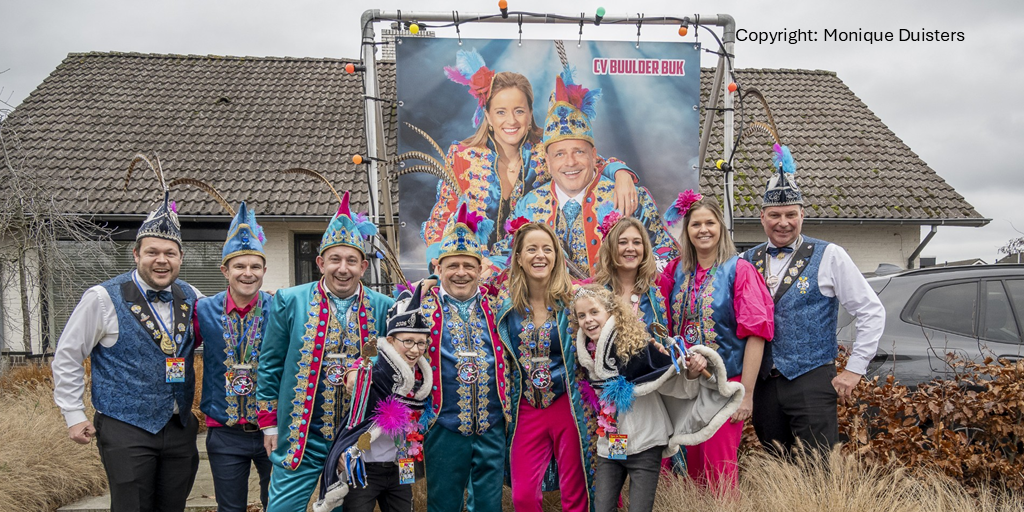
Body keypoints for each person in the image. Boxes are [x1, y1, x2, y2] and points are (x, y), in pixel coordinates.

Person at [52, 183, 202, 512]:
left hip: (179, 427)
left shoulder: (192, 295)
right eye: (152, 252)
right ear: (136, 254)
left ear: (180, 257)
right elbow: (67, 355)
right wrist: (74, 415)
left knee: (173, 506)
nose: (161, 260)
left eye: (170, 253)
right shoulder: (102, 297)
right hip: (125, 428)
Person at [422, 48, 639, 258]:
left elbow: (590, 162)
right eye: (500, 112)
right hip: (475, 271)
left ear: (530, 114)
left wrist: (621, 174)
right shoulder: (462, 157)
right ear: (487, 116)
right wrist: (439, 262)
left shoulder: (545, 151)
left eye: (519, 111)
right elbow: (442, 218)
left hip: (535, 268)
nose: (511, 121)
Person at [255, 191, 395, 511]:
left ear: (362, 265)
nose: (342, 268)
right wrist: (269, 424)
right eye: (335, 259)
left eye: (350, 261)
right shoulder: (290, 301)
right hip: (300, 437)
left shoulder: (384, 308)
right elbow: (271, 364)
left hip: (355, 442)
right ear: (321, 262)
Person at [740, 144, 884, 456]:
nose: (783, 222)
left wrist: (855, 369)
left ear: (802, 215)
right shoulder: (745, 260)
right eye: (775, 215)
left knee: (818, 469)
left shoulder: (830, 255)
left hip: (812, 379)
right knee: (776, 468)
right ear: (762, 217)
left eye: (791, 215)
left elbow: (871, 311)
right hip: (763, 383)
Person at [571, 284, 743, 512]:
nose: (588, 320)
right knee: (603, 507)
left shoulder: (637, 347)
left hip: (646, 442)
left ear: (611, 313)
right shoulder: (586, 356)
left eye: (594, 312)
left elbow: (670, 378)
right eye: (581, 316)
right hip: (613, 443)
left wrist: (691, 370)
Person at [492, 67, 678, 276]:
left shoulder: (631, 198)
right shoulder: (529, 205)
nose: (570, 162)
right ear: (547, 160)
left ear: (593, 155)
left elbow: (665, 253)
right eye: (559, 154)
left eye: (578, 152)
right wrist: (488, 266)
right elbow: (507, 254)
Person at [659, 191, 774, 491]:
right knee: (690, 470)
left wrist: (745, 394)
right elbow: (657, 321)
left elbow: (756, 334)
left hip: (725, 385)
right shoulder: (675, 271)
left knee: (719, 473)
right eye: (695, 224)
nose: (703, 230)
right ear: (687, 231)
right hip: (685, 386)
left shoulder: (740, 270)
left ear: (720, 227)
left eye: (710, 222)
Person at [409, 202, 512, 512]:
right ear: (438, 268)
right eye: (452, 265)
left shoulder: (500, 308)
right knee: (443, 504)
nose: (461, 273)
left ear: (481, 268)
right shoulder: (420, 309)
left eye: (469, 265)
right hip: (443, 426)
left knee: (489, 505)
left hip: (493, 425)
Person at [496, 221, 593, 512]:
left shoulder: (574, 301)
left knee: (576, 495)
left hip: (569, 405)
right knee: (523, 497)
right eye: (532, 249)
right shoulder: (505, 307)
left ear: (556, 256)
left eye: (547, 249)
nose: (540, 255)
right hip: (526, 408)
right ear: (519, 258)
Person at [314, 291, 433, 512]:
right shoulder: (375, 369)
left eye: (421, 343)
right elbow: (362, 366)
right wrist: (352, 372)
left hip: (400, 467)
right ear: (390, 340)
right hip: (364, 467)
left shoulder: (421, 378)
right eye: (408, 341)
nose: (415, 349)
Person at [193, 201, 273, 511]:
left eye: (255, 266)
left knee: (278, 505)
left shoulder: (279, 310)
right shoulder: (202, 310)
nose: (247, 273)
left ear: (264, 270)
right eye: (239, 266)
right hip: (224, 432)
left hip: (271, 430)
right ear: (225, 270)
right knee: (230, 509)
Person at [592, 215, 671, 335]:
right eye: (623, 242)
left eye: (637, 242)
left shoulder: (660, 284)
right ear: (610, 247)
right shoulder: (595, 289)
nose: (630, 248)